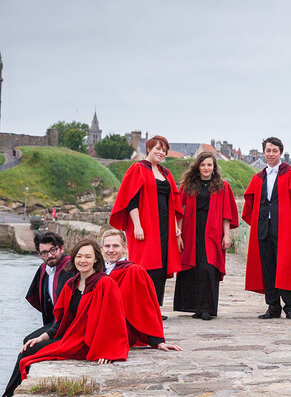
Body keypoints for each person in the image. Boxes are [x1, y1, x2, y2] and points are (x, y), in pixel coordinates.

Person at [0, 239, 132, 397]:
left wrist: (107, 350)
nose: (83, 260)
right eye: (79, 256)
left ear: (96, 259)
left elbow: (113, 320)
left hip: (87, 342)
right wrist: (42, 337)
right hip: (70, 336)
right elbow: (61, 322)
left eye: (88, 257)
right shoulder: (72, 284)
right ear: (74, 259)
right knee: (28, 348)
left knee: (28, 357)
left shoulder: (105, 283)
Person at [242, 137, 291, 320]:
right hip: (264, 227)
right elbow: (252, 202)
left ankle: (290, 307)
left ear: (281, 152)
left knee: (286, 266)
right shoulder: (259, 177)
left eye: (275, 150)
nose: (271, 154)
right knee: (267, 267)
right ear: (264, 152)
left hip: (284, 228)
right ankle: (273, 306)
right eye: (268, 150)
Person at [109, 135, 182, 303]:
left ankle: (156, 305)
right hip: (146, 224)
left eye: (164, 150)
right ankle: (143, 306)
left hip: (164, 226)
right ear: (148, 148)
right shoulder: (137, 168)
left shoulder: (166, 173)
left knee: (161, 265)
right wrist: (137, 226)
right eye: (157, 148)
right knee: (145, 265)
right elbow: (131, 199)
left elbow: (172, 201)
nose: (161, 153)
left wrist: (174, 225)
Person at [173, 152, 239, 320]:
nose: (206, 168)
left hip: (213, 231)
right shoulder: (188, 186)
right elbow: (180, 211)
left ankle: (208, 309)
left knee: (209, 268)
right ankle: (196, 307)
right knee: (194, 268)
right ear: (198, 166)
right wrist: (178, 234)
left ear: (214, 167)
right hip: (191, 230)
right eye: (203, 165)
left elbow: (226, 214)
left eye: (209, 165)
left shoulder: (222, 187)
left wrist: (226, 236)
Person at [101, 229, 182, 348]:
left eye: (116, 246)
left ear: (125, 248)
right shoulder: (98, 271)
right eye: (107, 246)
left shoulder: (133, 271)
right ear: (102, 248)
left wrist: (157, 340)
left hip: (121, 330)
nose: (111, 250)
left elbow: (144, 306)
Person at [25, 231, 76, 326]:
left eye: (53, 250)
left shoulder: (71, 268)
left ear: (61, 248)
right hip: (53, 322)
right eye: (44, 252)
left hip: (70, 324)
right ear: (39, 254)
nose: (50, 255)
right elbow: (35, 297)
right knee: (29, 340)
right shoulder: (43, 268)